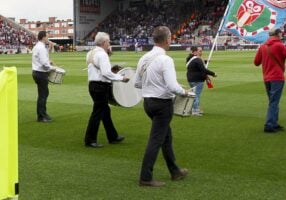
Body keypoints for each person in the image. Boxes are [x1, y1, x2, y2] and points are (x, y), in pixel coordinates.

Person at [135, 26, 192, 187]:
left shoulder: (144, 58)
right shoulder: (166, 59)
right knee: (156, 140)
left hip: (148, 102)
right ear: (167, 40)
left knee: (166, 137)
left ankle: (175, 171)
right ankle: (145, 177)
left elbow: (137, 83)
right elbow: (173, 86)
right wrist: (184, 92)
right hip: (162, 104)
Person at [84, 32, 128, 148]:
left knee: (105, 112)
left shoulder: (91, 52)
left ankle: (113, 136)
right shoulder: (102, 54)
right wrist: (121, 78)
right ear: (104, 42)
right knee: (97, 113)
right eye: (108, 42)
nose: (109, 43)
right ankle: (90, 140)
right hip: (100, 86)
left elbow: (98, 69)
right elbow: (106, 73)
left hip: (93, 85)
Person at [253, 30, 286, 133]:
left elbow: (256, 62)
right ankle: (269, 124)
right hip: (277, 77)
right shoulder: (279, 45)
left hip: (267, 78)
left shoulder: (263, 46)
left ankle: (274, 123)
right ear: (278, 34)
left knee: (273, 101)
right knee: (274, 102)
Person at [31, 31, 56, 123]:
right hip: (41, 73)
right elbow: (44, 63)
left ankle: (42, 114)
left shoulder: (37, 46)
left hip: (37, 72)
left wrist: (49, 49)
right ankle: (42, 116)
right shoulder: (41, 48)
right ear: (43, 37)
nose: (48, 39)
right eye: (47, 37)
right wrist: (53, 68)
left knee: (43, 94)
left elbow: (43, 59)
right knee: (43, 95)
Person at [185, 46, 216, 116]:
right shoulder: (197, 59)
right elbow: (203, 70)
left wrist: (205, 61)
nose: (200, 52)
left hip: (191, 79)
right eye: (199, 51)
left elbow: (195, 65)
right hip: (197, 79)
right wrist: (213, 74)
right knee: (196, 95)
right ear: (195, 52)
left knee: (195, 94)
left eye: (201, 51)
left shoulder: (190, 58)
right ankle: (195, 110)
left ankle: (195, 109)